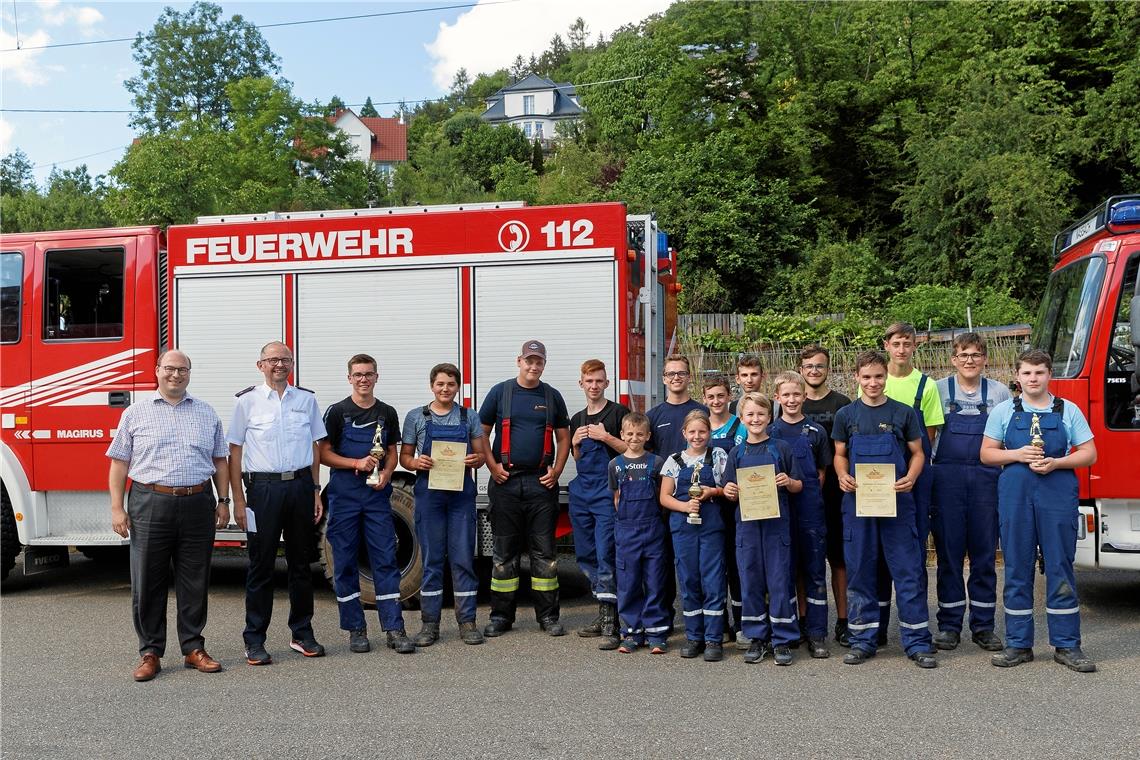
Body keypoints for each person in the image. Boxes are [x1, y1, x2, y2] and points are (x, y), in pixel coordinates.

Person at [107, 350, 230, 682]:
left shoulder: (206, 413)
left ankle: (193, 648)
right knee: (148, 580)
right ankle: (150, 652)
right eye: (170, 369)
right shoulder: (135, 413)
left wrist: (224, 500)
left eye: (183, 369)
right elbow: (119, 463)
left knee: (195, 579)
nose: (177, 374)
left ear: (190, 374)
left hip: (197, 501)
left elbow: (220, 459)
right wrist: (118, 508)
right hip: (150, 502)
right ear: (157, 371)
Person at [981, 350, 1097, 673]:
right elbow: (986, 454)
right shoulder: (1004, 411)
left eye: (1039, 373)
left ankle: (1067, 645)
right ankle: (1018, 644)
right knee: (1017, 564)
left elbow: (1089, 453)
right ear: (1017, 377)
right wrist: (1017, 454)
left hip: (1056, 493)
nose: (1033, 379)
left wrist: (1057, 462)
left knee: (1060, 565)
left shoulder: (1067, 410)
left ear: (1049, 375)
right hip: (1016, 495)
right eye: (1027, 373)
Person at [833, 351, 937, 669]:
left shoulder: (903, 413)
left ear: (886, 378)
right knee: (861, 571)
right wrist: (842, 475)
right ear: (857, 378)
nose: (873, 382)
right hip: (858, 504)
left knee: (908, 572)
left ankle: (917, 642)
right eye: (866, 377)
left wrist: (910, 476)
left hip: (897, 503)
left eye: (878, 376)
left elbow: (918, 452)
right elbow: (839, 454)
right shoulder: (846, 415)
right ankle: (863, 640)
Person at [228, 341, 327, 666]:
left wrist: (314, 490)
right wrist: (238, 501)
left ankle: (302, 633)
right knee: (261, 565)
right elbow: (235, 451)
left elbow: (315, 447)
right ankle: (254, 639)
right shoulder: (247, 402)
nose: (279, 365)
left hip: (299, 487)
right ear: (260, 365)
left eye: (285, 360)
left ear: (292, 364)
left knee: (301, 564)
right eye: (272, 360)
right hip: (262, 491)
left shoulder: (306, 400)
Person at [318, 354, 412, 655]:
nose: (363, 379)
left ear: (376, 377)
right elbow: (323, 454)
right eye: (358, 374)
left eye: (368, 374)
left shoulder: (387, 412)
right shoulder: (337, 412)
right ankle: (355, 629)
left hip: (376, 497)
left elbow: (393, 452)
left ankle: (394, 628)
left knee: (385, 559)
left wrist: (386, 473)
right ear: (349, 378)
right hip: (345, 495)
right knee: (344, 562)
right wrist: (355, 462)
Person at [479, 340, 571, 637]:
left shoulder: (552, 396)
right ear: (519, 361)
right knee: (504, 554)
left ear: (544, 364)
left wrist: (556, 470)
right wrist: (492, 467)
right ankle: (501, 617)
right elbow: (481, 433)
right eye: (529, 361)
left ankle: (548, 617)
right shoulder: (500, 393)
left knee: (544, 554)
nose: (534, 366)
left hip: (540, 485)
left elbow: (564, 437)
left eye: (539, 362)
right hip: (505, 484)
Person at [400, 362, 491, 647]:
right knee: (432, 561)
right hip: (430, 495)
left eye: (450, 384)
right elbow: (405, 458)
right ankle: (430, 625)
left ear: (458, 387)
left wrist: (475, 461)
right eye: (440, 384)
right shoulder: (416, 417)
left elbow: (481, 455)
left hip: (461, 495)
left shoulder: (469, 416)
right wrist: (416, 462)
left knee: (463, 559)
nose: (445, 389)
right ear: (432, 386)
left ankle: (467, 623)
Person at [930, 333, 1010, 653]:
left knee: (984, 556)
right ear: (953, 359)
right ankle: (949, 626)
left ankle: (983, 626)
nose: (969, 360)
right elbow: (927, 437)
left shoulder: (1000, 392)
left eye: (976, 355)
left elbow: (1006, 438)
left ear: (985, 359)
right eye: (963, 355)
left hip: (986, 482)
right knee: (948, 556)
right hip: (946, 481)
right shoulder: (937, 390)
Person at [723, 393, 803, 666]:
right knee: (751, 580)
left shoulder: (781, 448)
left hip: (776, 526)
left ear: (770, 418)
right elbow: (728, 490)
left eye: (760, 414)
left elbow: (799, 485)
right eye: (750, 415)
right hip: (746, 528)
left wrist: (788, 481)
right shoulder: (737, 452)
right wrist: (729, 490)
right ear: (742, 420)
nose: (755, 419)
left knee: (779, 580)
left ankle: (782, 640)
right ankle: (756, 638)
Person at [879, 322, 944, 636]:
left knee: (914, 548)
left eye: (907, 343)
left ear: (914, 346)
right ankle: (875, 627)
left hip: (914, 477)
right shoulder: (876, 381)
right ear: (887, 346)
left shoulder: (926, 386)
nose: (901, 349)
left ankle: (916, 623)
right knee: (877, 549)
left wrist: (911, 471)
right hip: (878, 477)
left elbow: (927, 439)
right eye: (896, 343)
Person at [568, 359, 629, 648]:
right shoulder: (577, 419)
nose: (594, 386)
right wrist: (575, 445)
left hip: (607, 493)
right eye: (588, 381)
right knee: (586, 554)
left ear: (606, 383)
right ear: (581, 384)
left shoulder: (618, 413)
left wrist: (606, 437)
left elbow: (632, 449)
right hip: (582, 494)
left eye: (599, 381)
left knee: (607, 553)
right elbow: (578, 460)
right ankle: (602, 608)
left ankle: (611, 621)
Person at [771, 371, 831, 659]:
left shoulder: (816, 432)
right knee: (785, 572)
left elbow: (821, 473)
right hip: (779, 512)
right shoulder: (769, 433)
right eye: (787, 395)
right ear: (777, 398)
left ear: (804, 396)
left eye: (797, 394)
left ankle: (817, 633)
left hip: (810, 511)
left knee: (814, 572)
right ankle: (791, 629)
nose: (792, 399)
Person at [659, 410, 728, 662]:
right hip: (683, 527)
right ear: (684, 434)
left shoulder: (718, 456)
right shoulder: (674, 461)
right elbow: (665, 497)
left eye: (702, 431)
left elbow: (729, 488)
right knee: (689, 581)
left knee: (713, 580)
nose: (697, 436)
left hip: (711, 527)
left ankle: (713, 639)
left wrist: (713, 491)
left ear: (709, 433)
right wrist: (685, 506)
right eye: (692, 432)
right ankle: (694, 637)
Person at [799, 346, 852, 646]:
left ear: (828, 369)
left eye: (819, 366)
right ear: (802, 369)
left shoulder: (842, 404)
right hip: (802, 493)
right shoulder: (792, 402)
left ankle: (843, 622)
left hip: (835, 493)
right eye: (808, 366)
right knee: (803, 562)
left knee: (840, 561)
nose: (814, 371)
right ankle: (804, 619)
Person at [608, 413, 670, 654]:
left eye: (640, 434)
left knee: (655, 581)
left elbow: (661, 495)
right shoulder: (615, 465)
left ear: (648, 436)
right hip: (626, 531)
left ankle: (656, 633)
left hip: (652, 529)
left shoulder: (656, 462)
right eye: (630, 434)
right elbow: (616, 497)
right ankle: (632, 633)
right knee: (628, 583)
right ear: (622, 435)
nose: (635, 438)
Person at [704, 374, 745, 645]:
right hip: (707, 507)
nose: (717, 401)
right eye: (711, 397)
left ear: (729, 396)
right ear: (704, 399)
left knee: (736, 566)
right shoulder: (700, 428)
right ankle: (717, 624)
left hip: (735, 505)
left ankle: (742, 623)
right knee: (713, 567)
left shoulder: (740, 426)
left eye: (721, 395)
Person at [646, 355, 707, 458]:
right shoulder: (651, 416)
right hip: (663, 474)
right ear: (664, 379)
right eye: (671, 374)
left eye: (681, 373)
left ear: (689, 377)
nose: (676, 377)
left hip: (698, 473)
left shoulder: (704, 412)